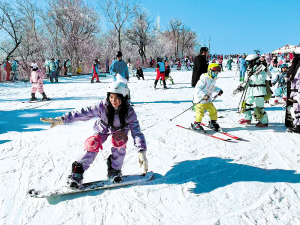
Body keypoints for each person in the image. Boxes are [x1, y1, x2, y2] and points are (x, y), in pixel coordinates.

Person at [40, 81, 148, 188]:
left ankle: (114, 171)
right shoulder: (102, 106)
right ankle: (77, 173)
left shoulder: (129, 111)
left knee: (119, 142)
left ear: (123, 97)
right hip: (103, 128)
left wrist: (141, 152)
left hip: (120, 130)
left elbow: (136, 132)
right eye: (111, 97)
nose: (113, 101)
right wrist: (62, 119)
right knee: (92, 143)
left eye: (117, 98)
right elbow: (83, 112)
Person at [238, 54, 269, 128]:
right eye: (248, 62)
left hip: (259, 90)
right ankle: (247, 118)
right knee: (246, 104)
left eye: (250, 62)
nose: (249, 64)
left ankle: (264, 121)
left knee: (259, 107)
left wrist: (252, 76)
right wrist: (243, 85)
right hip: (251, 90)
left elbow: (259, 80)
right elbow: (249, 79)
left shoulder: (261, 69)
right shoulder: (250, 69)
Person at [192, 63, 223, 132]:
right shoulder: (204, 79)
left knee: (213, 110)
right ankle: (196, 124)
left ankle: (213, 122)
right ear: (209, 71)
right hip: (199, 99)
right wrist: (203, 95)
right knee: (200, 112)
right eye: (214, 72)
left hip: (207, 100)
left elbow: (212, 88)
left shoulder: (213, 79)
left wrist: (218, 90)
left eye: (217, 72)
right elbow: (198, 89)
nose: (216, 73)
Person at [285, 51, 300, 133]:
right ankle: (297, 125)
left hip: (298, 90)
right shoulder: (295, 66)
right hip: (295, 90)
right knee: (296, 108)